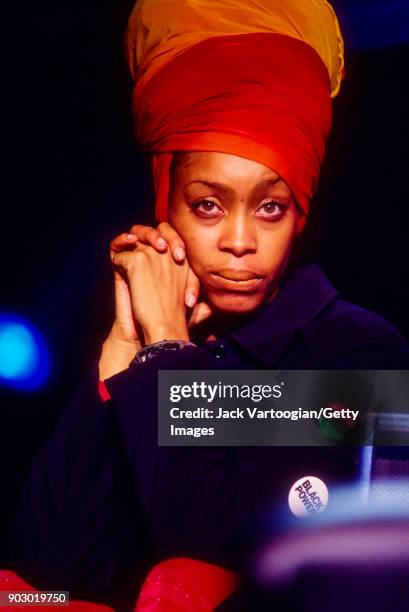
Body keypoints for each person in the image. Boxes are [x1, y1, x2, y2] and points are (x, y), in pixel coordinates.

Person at [6, 0, 409, 610]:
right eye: (208, 206)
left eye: (271, 207)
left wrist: (168, 349)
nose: (240, 241)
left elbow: (210, 567)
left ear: (301, 213)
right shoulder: (137, 348)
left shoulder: (360, 355)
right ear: (165, 200)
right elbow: (43, 578)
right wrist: (118, 365)